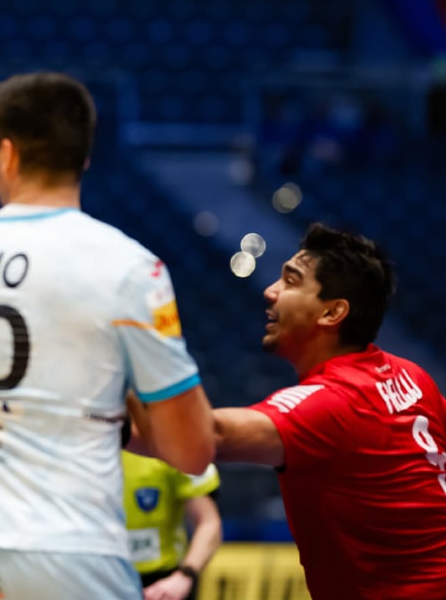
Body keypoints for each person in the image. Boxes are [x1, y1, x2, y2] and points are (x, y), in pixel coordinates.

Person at [0, 72, 215, 599]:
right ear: (84, 157)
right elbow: (192, 450)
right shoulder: (129, 266)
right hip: (63, 549)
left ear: (6, 152)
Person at [131, 223, 446, 598]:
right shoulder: (413, 377)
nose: (270, 291)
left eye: (290, 282)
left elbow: (204, 437)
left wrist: (150, 338)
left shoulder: (328, 404)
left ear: (333, 312)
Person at [121, 450, 222, 600]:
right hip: (96, 579)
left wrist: (185, 576)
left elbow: (208, 523)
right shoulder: (81, 450)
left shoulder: (173, 447)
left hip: (163, 584)